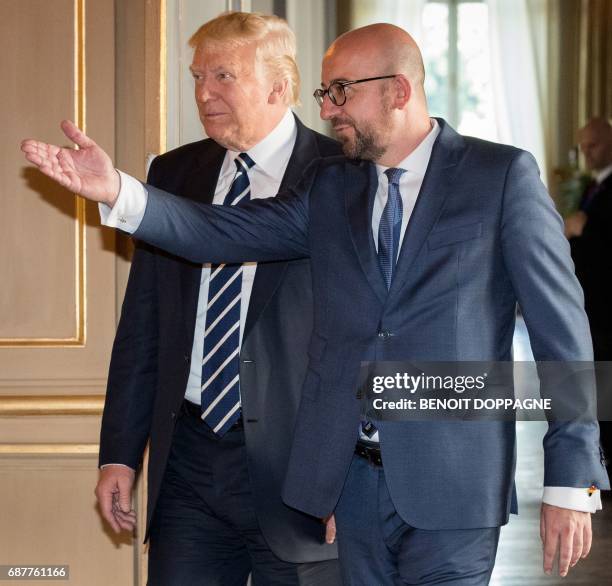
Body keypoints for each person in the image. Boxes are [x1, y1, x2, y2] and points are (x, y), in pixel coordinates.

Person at [22, 23, 609, 585]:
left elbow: (563, 332)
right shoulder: (331, 186)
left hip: (456, 483)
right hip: (348, 487)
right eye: (324, 94)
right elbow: (222, 232)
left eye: (339, 93)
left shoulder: (500, 175)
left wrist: (570, 484)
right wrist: (120, 193)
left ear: (398, 91)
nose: (326, 110)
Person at [96, 12, 342, 586]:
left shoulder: (342, 175)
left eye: (224, 76)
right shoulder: (174, 173)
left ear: (279, 86)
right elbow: (144, 324)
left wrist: (349, 476)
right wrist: (120, 453)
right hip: (189, 461)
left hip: (298, 471)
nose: (204, 93)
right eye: (197, 77)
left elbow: (366, 338)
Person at [565, 117, 612, 475]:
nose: (586, 153)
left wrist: (586, 227)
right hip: (589, 305)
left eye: (592, 145)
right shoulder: (592, 185)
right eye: (582, 146)